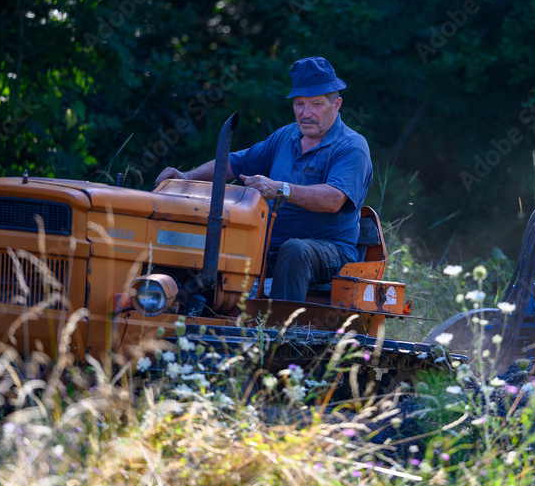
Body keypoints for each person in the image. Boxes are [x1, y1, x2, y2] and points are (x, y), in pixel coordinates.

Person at [155, 57, 373, 302]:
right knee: (206, 236)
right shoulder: (286, 135)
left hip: (330, 250)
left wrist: (280, 189)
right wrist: (186, 177)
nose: (306, 113)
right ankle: (185, 311)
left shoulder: (352, 146)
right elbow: (235, 163)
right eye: (299, 104)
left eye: (316, 104)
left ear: (337, 105)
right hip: (266, 244)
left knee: (295, 250)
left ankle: (280, 332)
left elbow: (334, 199)